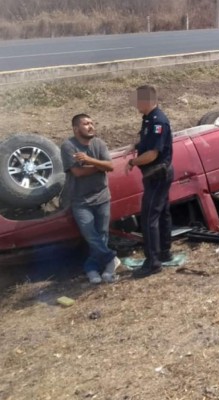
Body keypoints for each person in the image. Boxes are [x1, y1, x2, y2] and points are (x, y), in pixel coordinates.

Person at [61, 114, 120, 284]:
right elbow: (77, 173)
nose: (91, 126)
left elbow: (110, 166)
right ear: (75, 128)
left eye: (92, 123)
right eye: (86, 124)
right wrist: (100, 165)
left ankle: (94, 269)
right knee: (91, 236)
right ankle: (111, 259)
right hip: (80, 201)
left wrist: (88, 160)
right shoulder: (68, 146)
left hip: (102, 197)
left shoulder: (99, 143)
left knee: (102, 235)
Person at [126, 85, 174, 279]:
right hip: (157, 173)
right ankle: (164, 251)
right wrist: (135, 146)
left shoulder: (158, 121)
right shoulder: (148, 119)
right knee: (162, 213)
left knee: (148, 217)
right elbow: (148, 142)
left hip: (157, 174)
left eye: (137, 100)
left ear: (145, 100)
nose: (135, 104)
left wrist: (132, 162)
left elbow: (153, 154)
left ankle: (152, 261)